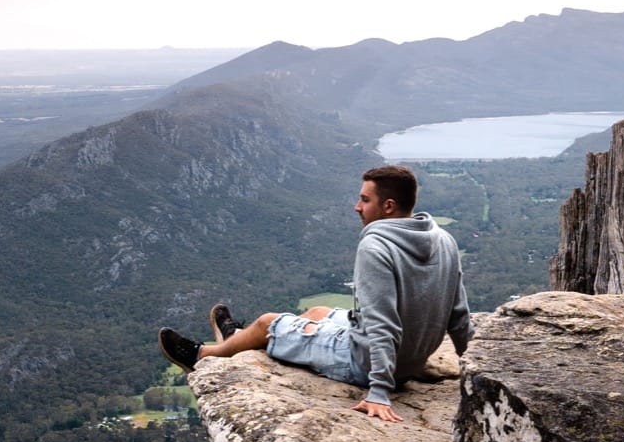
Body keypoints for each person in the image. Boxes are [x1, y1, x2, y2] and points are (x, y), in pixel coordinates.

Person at [158, 165, 473, 423]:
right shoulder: (444, 239)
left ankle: (202, 355)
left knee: (268, 323)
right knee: (318, 312)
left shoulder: (376, 246)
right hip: (411, 357)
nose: (357, 206)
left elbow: (382, 325)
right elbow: (459, 317)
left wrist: (379, 391)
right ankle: (236, 338)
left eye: (365, 200)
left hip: (364, 363)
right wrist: (473, 373)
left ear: (388, 206)